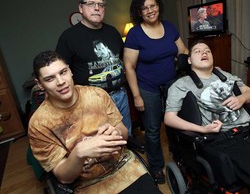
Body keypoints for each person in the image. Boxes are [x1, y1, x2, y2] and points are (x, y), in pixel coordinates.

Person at [28, 51, 161, 194]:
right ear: (40, 84)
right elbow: (64, 178)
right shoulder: (39, 124)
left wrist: (116, 133)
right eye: (49, 79)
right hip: (87, 184)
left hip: (125, 167)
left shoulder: (97, 95)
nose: (61, 82)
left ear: (70, 70)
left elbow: (123, 133)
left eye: (63, 72)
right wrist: (79, 153)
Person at [164, 40, 250, 194]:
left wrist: (241, 98)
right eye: (197, 51)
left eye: (207, 50)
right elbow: (169, 118)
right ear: (189, 60)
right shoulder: (181, 84)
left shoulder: (225, 75)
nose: (204, 52)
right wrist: (202, 129)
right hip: (224, 136)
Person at [123, 0, 188, 184]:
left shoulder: (169, 27)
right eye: (144, 8)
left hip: (171, 85)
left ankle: (179, 159)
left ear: (158, 6)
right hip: (147, 88)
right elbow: (129, 66)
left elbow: (183, 50)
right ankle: (156, 166)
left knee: (174, 124)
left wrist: (193, 65)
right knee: (152, 130)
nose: (150, 10)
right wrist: (136, 96)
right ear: (139, 12)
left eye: (153, 5)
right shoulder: (135, 34)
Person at [55, 0, 132, 136]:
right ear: (81, 8)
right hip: (91, 102)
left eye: (101, 4)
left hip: (120, 95)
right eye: (91, 3)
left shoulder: (113, 32)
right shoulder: (68, 37)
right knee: (102, 143)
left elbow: (123, 59)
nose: (97, 8)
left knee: (125, 135)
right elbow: (61, 71)